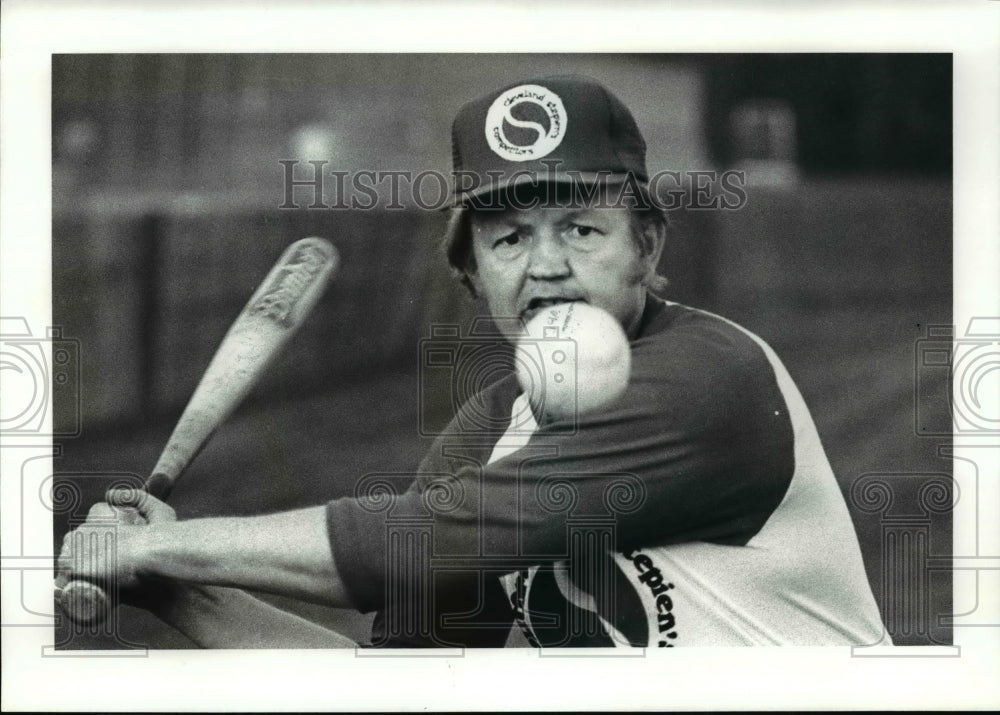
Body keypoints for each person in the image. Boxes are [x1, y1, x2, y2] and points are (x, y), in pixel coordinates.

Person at [58, 75, 889, 648]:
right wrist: (178, 589)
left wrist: (165, 546)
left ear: (647, 244)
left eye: (583, 228)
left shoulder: (711, 379)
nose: (547, 264)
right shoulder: (485, 429)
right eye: (509, 237)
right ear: (471, 272)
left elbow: (418, 541)